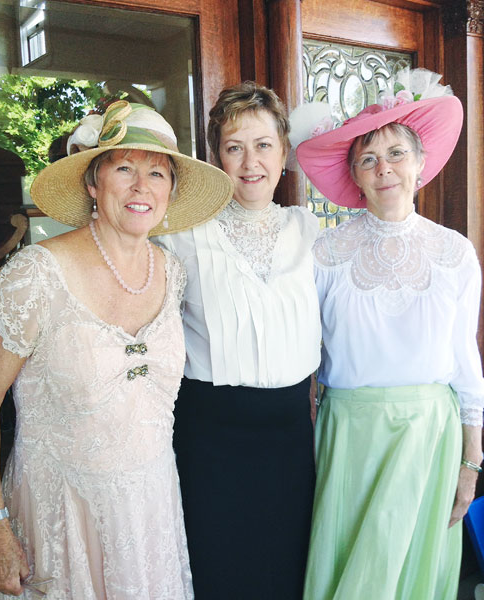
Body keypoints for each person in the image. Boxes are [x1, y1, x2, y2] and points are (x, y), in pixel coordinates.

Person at [0, 99, 232, 599]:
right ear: (93, 183)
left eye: (158, 174)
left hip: (149, 518)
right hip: (59, 519)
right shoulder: (36, 273)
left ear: (171, 191)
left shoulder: (172, 270)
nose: (142, 187)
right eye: (125, 168)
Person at [291, 67, 484, 599]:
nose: (384, 169)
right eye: (369, 159)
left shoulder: (455, 254)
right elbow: (307, 355)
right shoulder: (325, 253)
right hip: (349, 433)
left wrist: (471, 461)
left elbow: (466, 361)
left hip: (429, 435)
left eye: (397, 153)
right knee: (352, 577)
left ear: (421, 164)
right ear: (354, 173)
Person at [156, 81, 322, 600]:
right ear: (217, 157)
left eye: (263, 144)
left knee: (289, 568)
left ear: (284, 153)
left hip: (292, 434)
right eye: (234, 147)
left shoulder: (311, 231)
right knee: (219, 569)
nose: (250, 161)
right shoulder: (180, 235)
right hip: (210, 436)